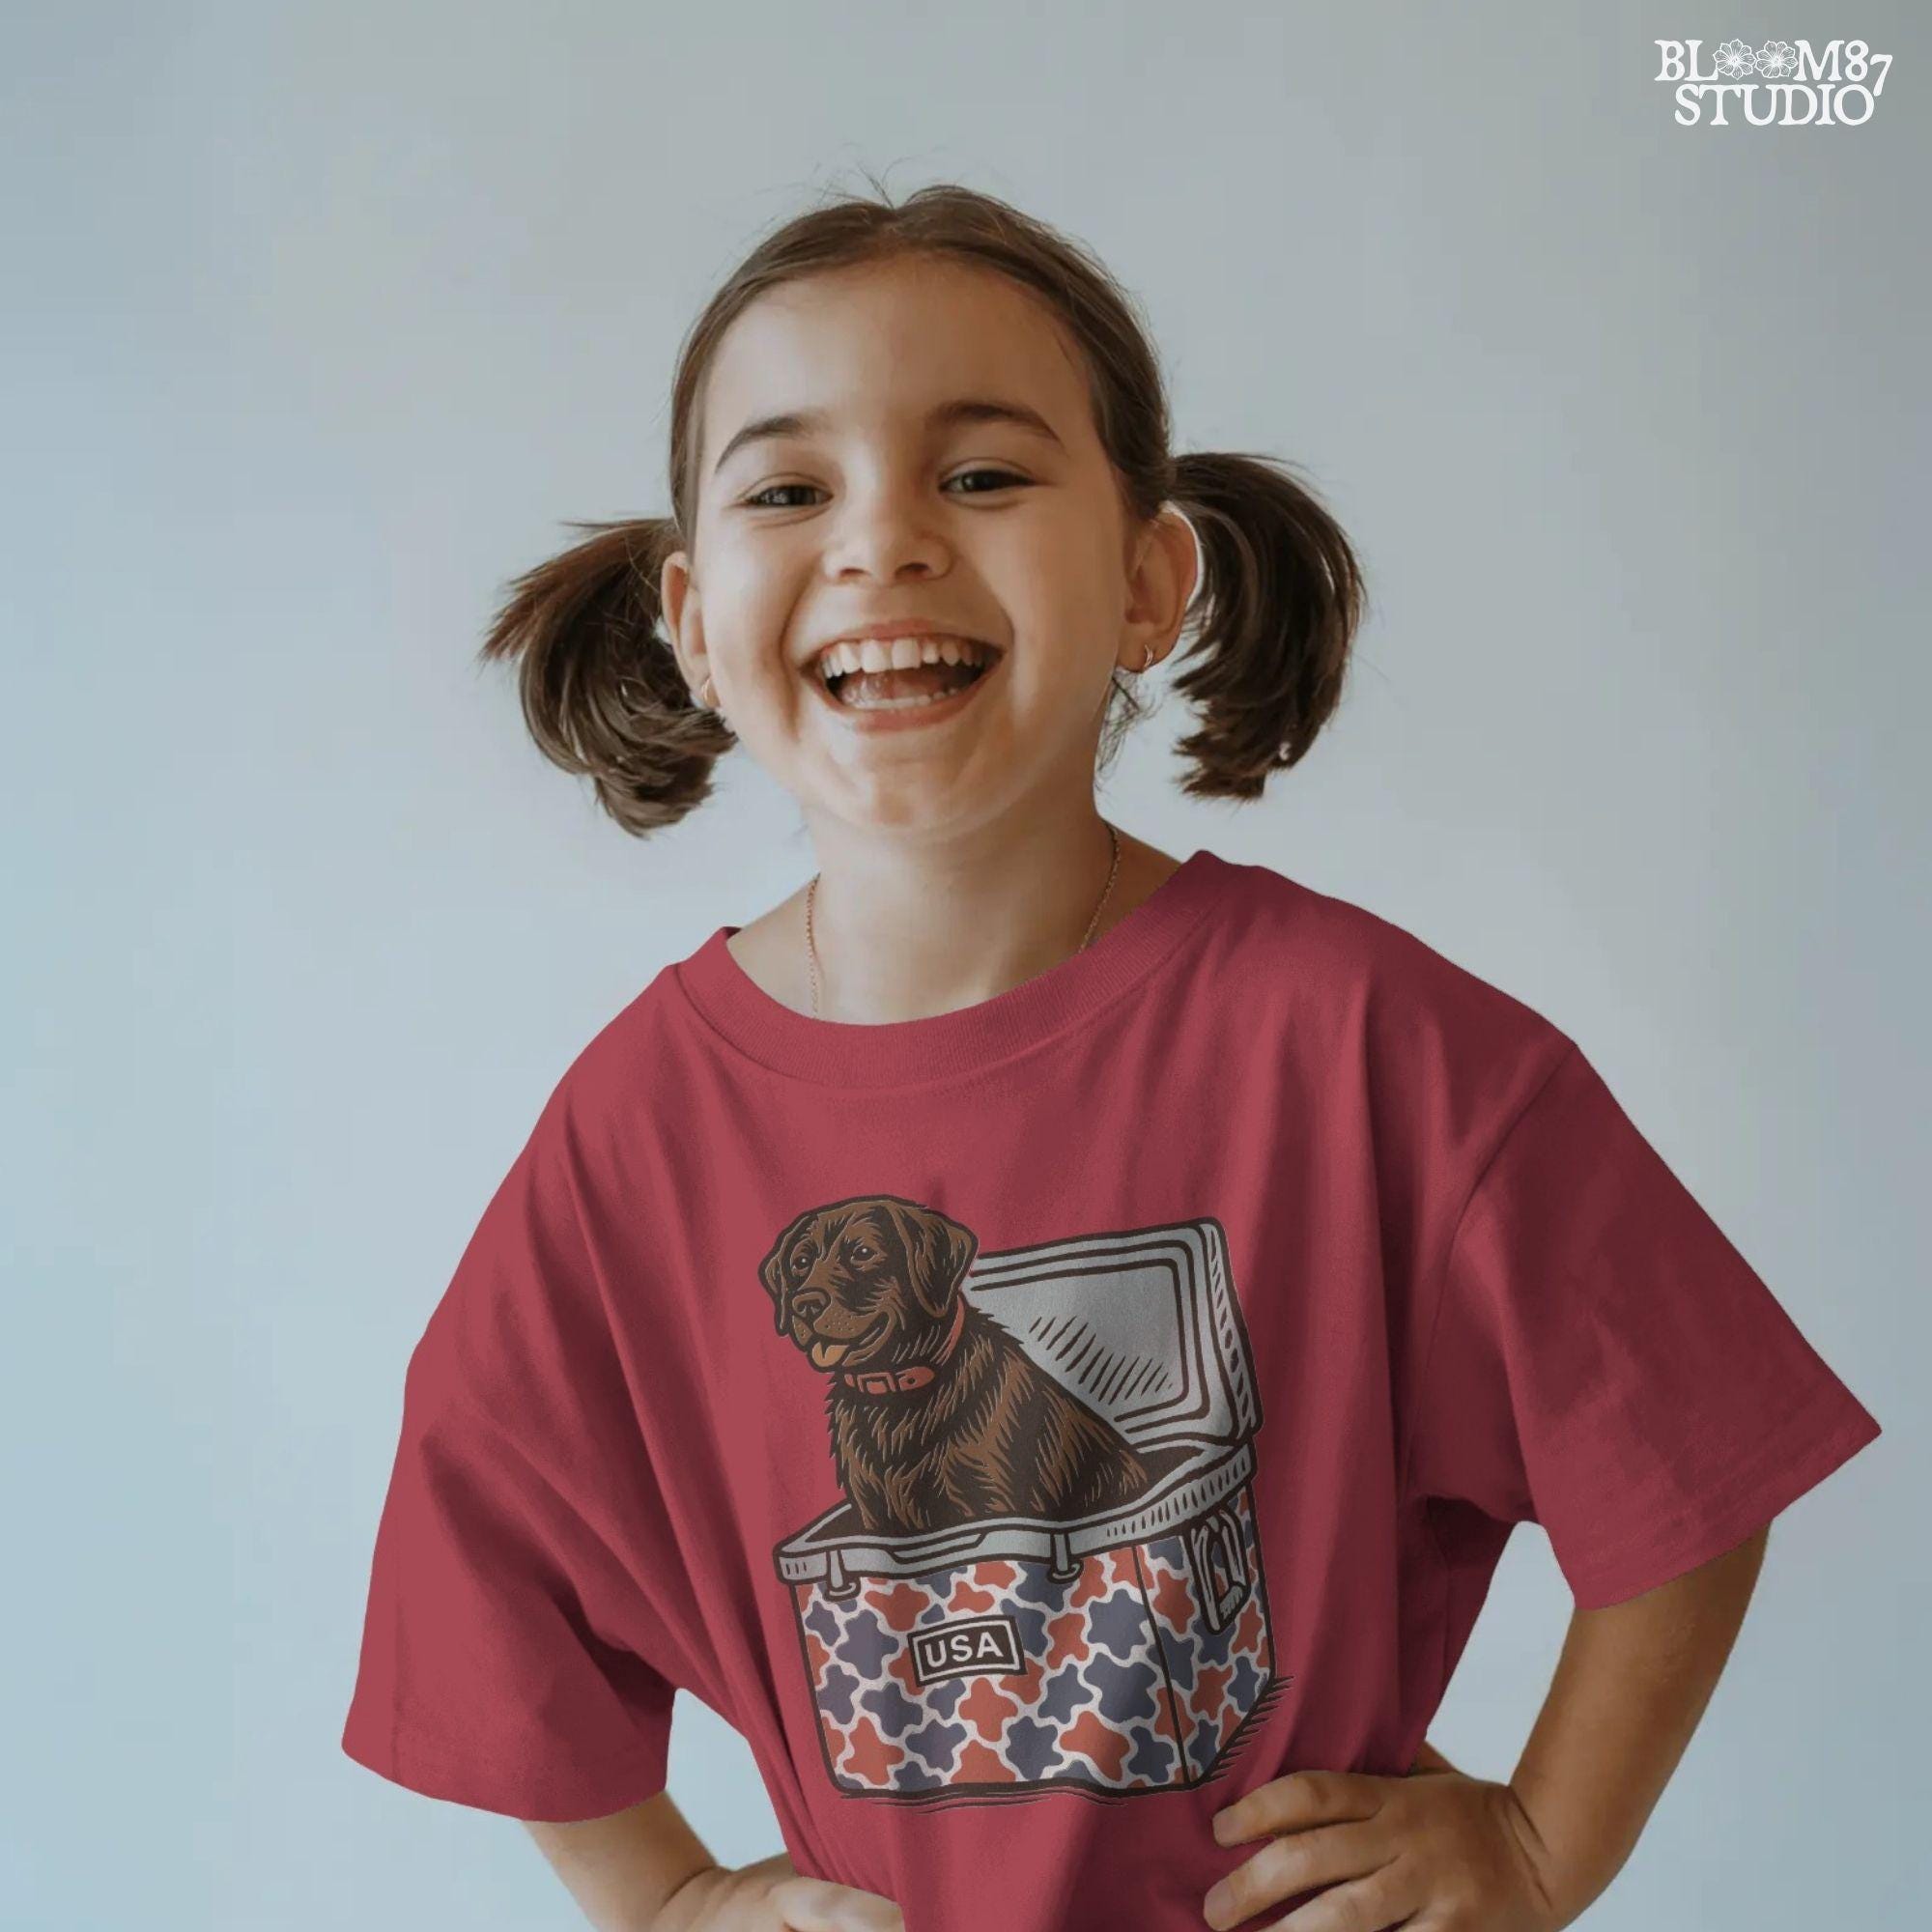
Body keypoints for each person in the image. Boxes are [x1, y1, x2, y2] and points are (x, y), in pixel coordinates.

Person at [340, 179, 1881, 1932]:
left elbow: (1688, 1460)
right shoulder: (635, 1133)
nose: (882, 541)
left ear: (1151, 581)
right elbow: (486, 1569)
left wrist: (1538, 1849)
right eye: (790, 487)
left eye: (981, 473)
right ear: (695, 621)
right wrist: (673, 1901)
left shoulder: (1362, 1044)